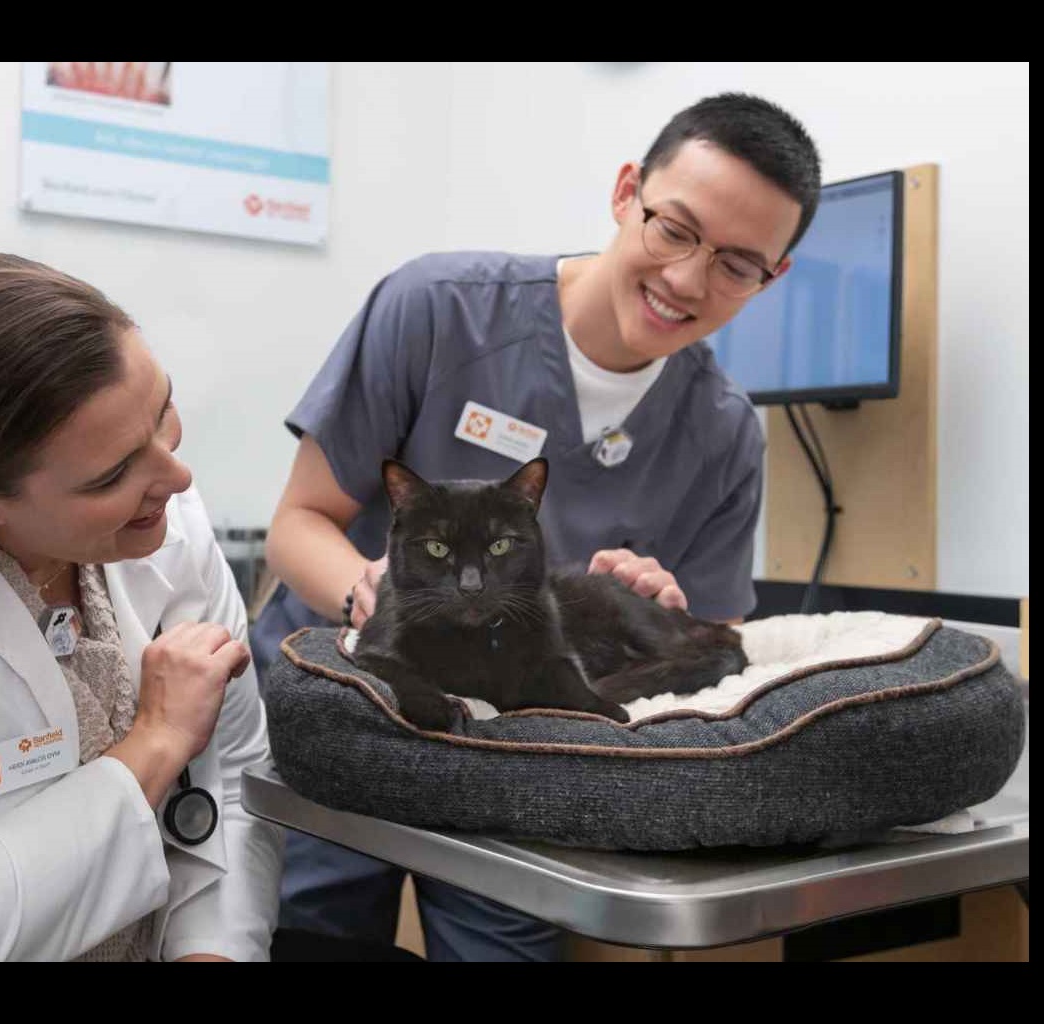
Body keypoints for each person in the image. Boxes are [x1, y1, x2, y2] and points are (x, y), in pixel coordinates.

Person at [249, 92, 823, 961]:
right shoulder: (439, 309)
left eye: (739, 264)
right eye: (675, 230)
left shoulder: (724, 431)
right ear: (628, 191)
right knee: (314, 935)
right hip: (354, 708)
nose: (687, 280)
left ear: (772, 277)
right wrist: (369, 590)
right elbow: (299, 522)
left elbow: (715, 646)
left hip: (519, 747)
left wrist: (665, 607)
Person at [0, 252, 284, 961]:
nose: (178, 475)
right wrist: (156, 743)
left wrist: (213, 950)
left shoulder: (162, 516)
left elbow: (234, 782)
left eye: (163, 410)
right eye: (113, 473)